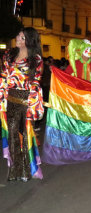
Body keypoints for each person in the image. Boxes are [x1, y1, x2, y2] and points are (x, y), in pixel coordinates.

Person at [0, 27, 44, 182]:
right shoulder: (8, 55)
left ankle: (26, 169)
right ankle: (14, 170)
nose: (18, 38)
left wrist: (33, 106)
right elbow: (3, 77)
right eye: (18, 36)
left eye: (22, 37)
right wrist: (2, 100)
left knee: (24, 136)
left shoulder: (36, 59)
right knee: (11, 134)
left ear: (29, 41)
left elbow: (35, 83)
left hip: (26, 101)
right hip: (10, 100)